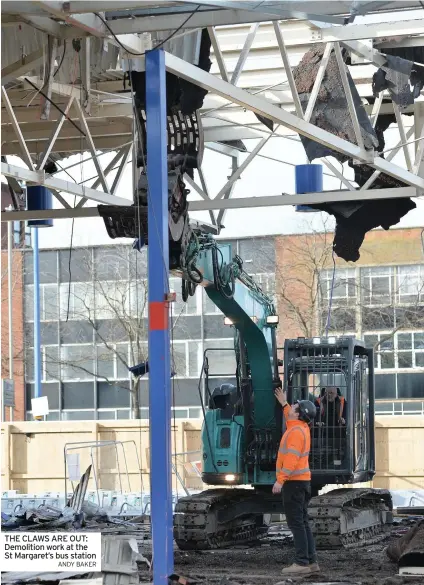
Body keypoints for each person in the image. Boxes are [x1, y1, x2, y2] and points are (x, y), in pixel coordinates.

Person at [273, 387, 319, 577]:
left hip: (293, 483)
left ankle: (301, 563)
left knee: (296, 524)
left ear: (299, 414)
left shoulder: (295, 433)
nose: (292, 405)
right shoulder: (300, 427)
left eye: (295, 406)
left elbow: (291, 460)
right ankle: (311, 561)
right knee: (303, 522)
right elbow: (290, 417)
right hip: (302, 483)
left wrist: (280, 481)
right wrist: (284, 403)